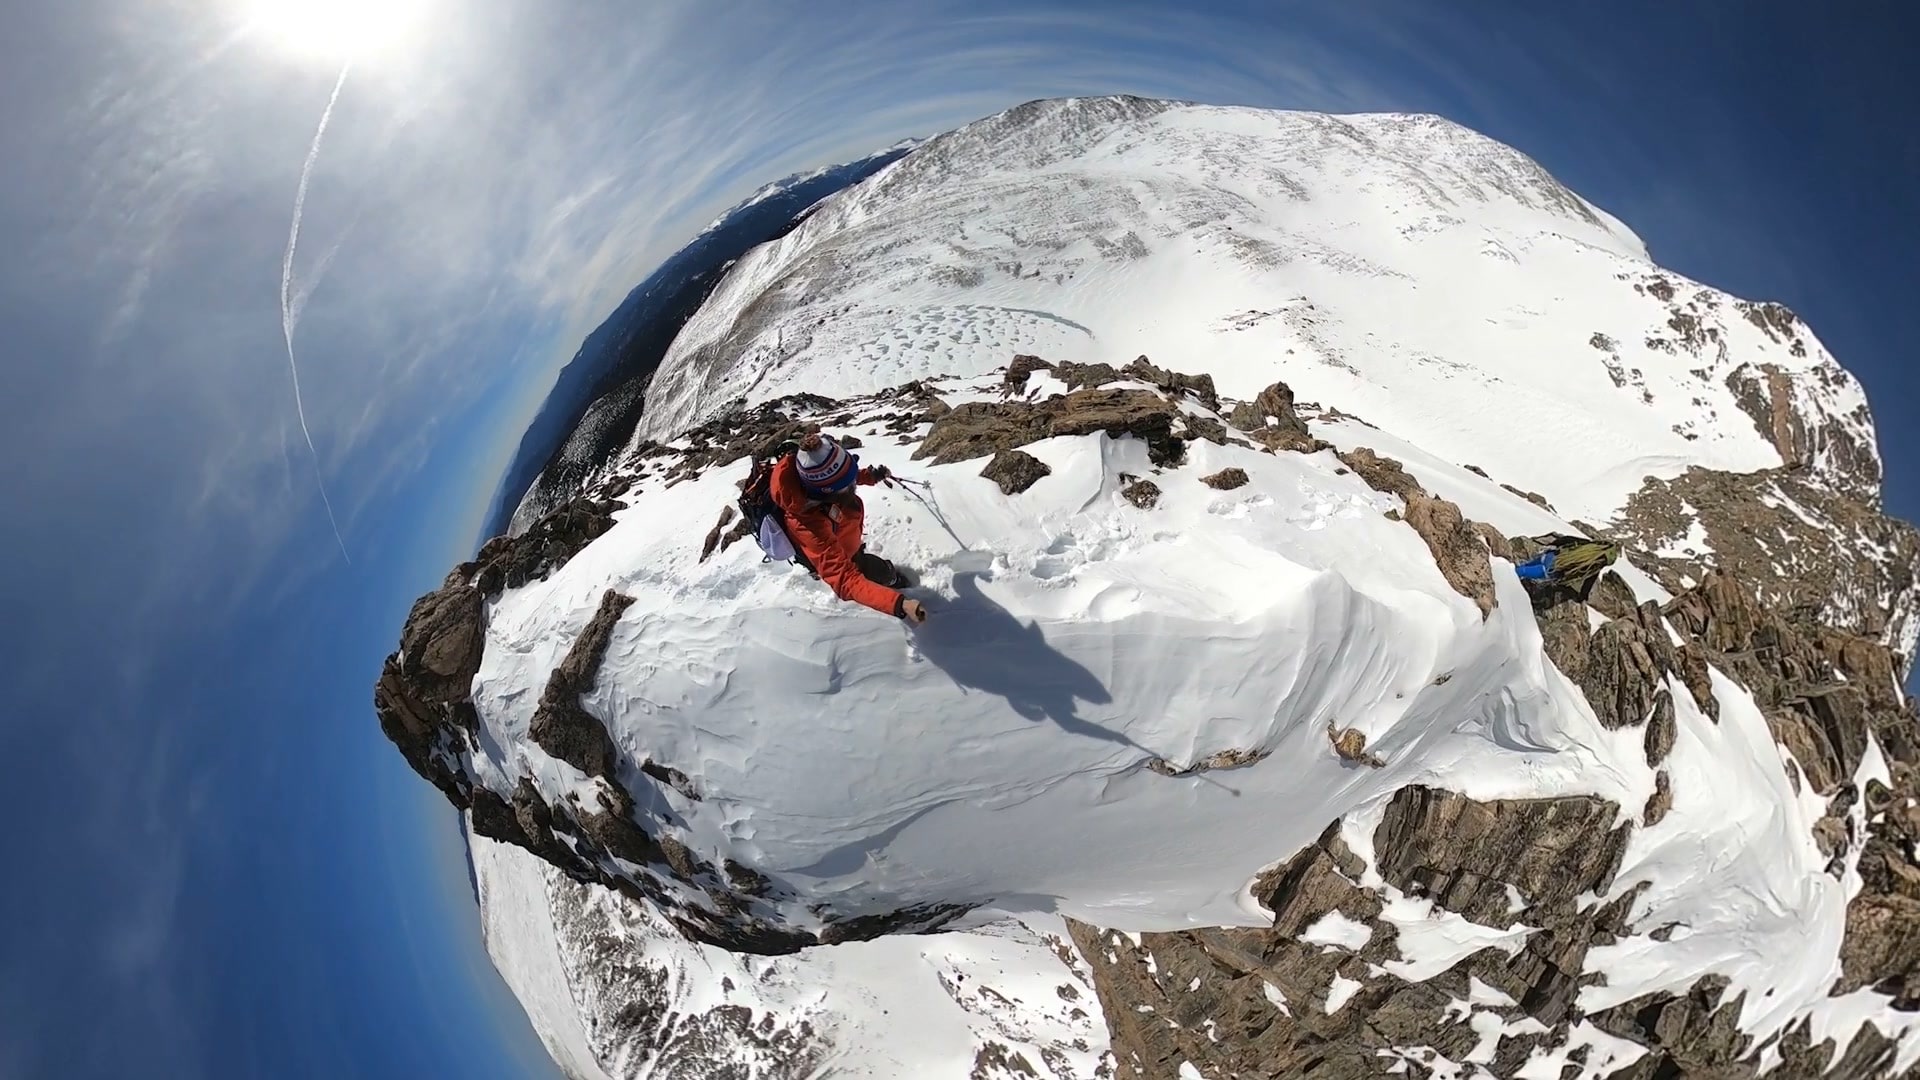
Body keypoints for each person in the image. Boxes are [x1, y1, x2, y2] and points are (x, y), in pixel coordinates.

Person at [771, 432, 928, 623]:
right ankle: (893, 580)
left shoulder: (818, 484)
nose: (853, 485)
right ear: (828, 493)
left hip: (846, 537)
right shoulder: (809, 526)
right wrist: (899, 604)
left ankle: (891, 577)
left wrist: (871, 476)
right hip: (845, 556)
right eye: (848, 485)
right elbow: (845, 579)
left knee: (876, 568)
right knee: (878, 572)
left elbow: (841, 477)